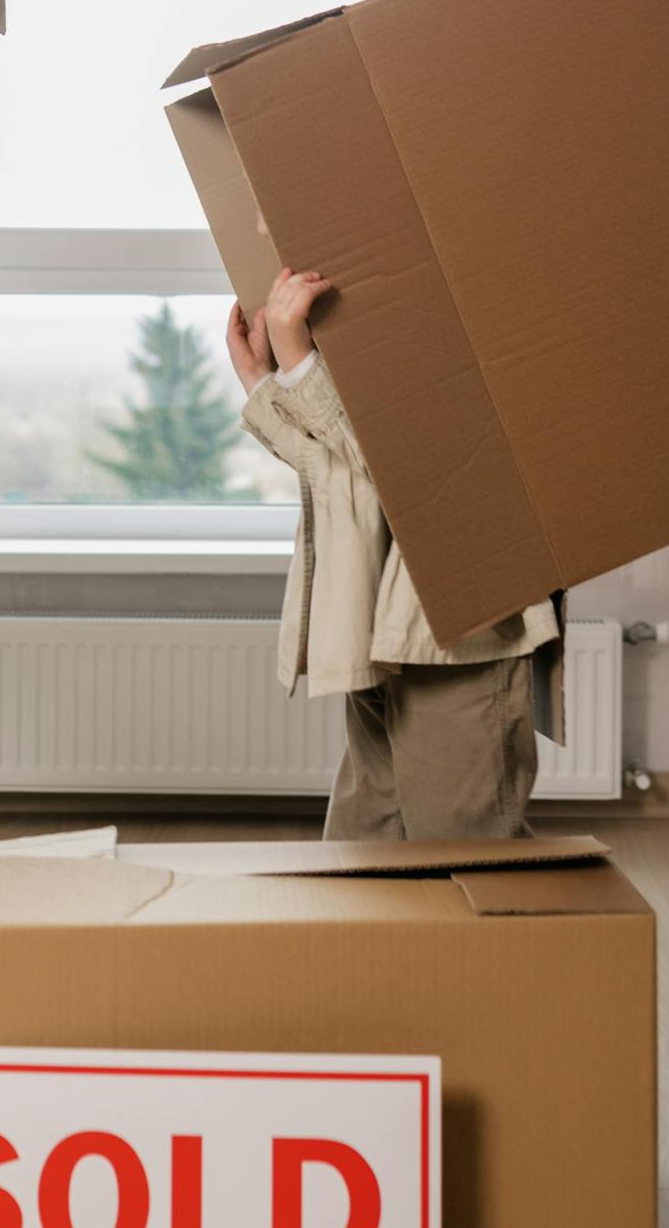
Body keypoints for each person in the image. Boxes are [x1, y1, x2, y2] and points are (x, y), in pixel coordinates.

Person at [228, 266, 560, 842]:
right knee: (364, 847)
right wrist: (265, 381)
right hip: (374, 615)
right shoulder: (371, 310)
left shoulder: (456, 289)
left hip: (456, 627)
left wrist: (299, 364)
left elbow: (421, 473)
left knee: (463, 849)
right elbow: (338, 471)